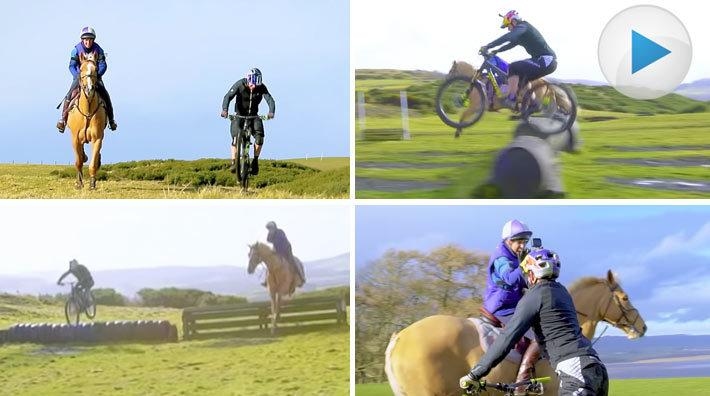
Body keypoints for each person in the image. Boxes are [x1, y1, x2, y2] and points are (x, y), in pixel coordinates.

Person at [460, 248, 609, 396]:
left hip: (575, 371)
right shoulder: (562, 292)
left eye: (526, 273)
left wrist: (475, 373)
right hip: (596, 368)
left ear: (531, 274)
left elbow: (508, 337)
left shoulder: (534, 295)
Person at [479, 219, 540, 392]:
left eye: (524, 242)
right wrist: (527, 263)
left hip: (510, 304)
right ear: (508, 240)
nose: (522, 245)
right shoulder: (501, 257)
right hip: (502, 307)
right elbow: (510, 278)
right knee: (538, 335)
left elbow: (522, 281)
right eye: (519, 242)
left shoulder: (512, 254)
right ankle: (522, 384)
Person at [479, 10, 557, 109]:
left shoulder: (523, 27)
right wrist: (496, 51)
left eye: (508, 26)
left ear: (514, 21)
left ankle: (511, 99)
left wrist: (488, 45)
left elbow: (509, 37)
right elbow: (510, 44)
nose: (508, 29)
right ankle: (533, 105)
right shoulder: (521, 34)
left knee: (513, 67)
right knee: (521, 82)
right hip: (543, 61)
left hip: (546, 60)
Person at [57, 26, 117, 133]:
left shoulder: (99, 50)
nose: (87, 42)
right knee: (70, 94)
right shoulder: (76, 50)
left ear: (93, 40)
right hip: (80, 77)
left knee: (105, 95)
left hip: (95, 76)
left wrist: (97, 74)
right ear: (82, 40)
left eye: (90, 39)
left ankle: (111, 120)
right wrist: (77, 75)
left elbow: (103, 65)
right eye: (85, 39)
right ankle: (62, 120)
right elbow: (71, 65)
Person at [220, 68, 275, 176]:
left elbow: (270, 100)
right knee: (235, 138)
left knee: (260, 138)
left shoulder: (262, 87)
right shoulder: (240, 84)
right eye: (252, 84)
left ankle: (255, 161)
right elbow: (228, 96)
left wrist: (271, 112)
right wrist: (225, 110)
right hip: (239, 116)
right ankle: (234, 162)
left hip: (254, 116)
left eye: (256, 85)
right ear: (248, 80)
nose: (253, 87)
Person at [265, 221, 305, 288]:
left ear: (274, 227)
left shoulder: (280, 232)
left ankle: (301, 277)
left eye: (271, 228)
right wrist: (270, 235)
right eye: (269, 229)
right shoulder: (270, 233)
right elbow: (268, 240)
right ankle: (266, 280)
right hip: (277, 251)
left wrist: (273, 241)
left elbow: (280, 242)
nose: (270, 230)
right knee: (270, 263)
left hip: (286, 249)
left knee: (292, 261)